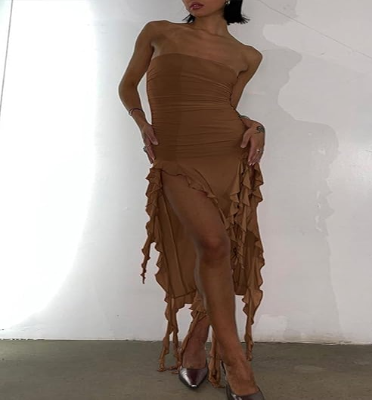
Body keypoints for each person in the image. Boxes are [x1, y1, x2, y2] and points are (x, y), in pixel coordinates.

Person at [118, 1, 266, 398]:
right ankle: (237, 363)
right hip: (176, 155)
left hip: (227, 152)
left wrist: (257, 127)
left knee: (219, 251)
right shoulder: (159, 31)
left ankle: (198, 340)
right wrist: (141, 122)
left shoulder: (248, 56)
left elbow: (228, 107)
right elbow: (127, 85)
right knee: (214, 245)